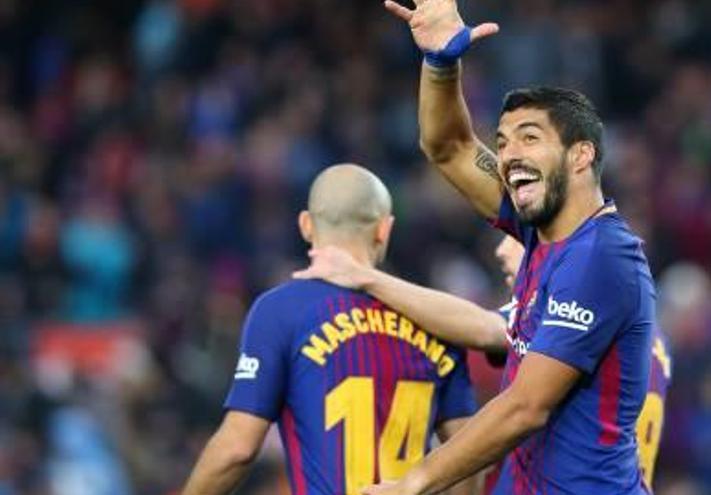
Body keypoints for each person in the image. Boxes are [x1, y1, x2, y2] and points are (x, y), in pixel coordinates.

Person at [348, 0, 661, 493]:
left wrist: (415, 483)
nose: (510, 153)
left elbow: (525, 406)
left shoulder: (602, 256)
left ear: (581, 156)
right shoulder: (541, 231)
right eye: (504, 140)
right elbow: (450, 147)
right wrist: (440, 63)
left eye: (529, 138)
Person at [182, 164, 477, 495]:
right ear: (384, 229)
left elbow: (237, 448)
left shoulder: (281, 311)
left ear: (306, 225)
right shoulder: (438, 320)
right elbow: (469, 455)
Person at [296, 235, 672, 492]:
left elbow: (483, 331)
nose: (501, 250)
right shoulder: (646, 335)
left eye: (519, 237)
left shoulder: (571, 319)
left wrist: (367, 279)